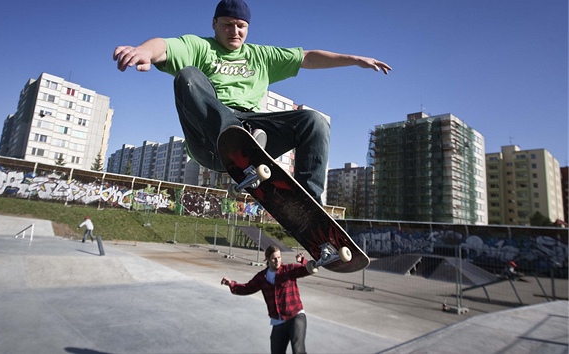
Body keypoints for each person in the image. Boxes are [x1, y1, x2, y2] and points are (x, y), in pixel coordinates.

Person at [113, 0, 391, 205]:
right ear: (214, 24)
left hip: (253, 130)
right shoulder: (200, 47)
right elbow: (165, 45)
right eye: (228, 25)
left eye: (241, 26)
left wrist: (354, 60)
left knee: (314, 121)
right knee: (187, 76)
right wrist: (142, 51)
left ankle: (306, 203)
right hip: (208, 141)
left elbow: (307, 57)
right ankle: (236, 140)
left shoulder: (262, 56)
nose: (235, 32)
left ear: (248, 27)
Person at [221, 246, 313, 353]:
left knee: (298, 350)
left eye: (279, 257)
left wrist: (303, 261)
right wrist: (231, 284)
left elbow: (307, 270)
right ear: (268, 260)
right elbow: (247, 288)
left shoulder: (288, 270)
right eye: (274, 258)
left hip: (295, 315)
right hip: (278, 320)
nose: (277, 260)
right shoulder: (262, 277)